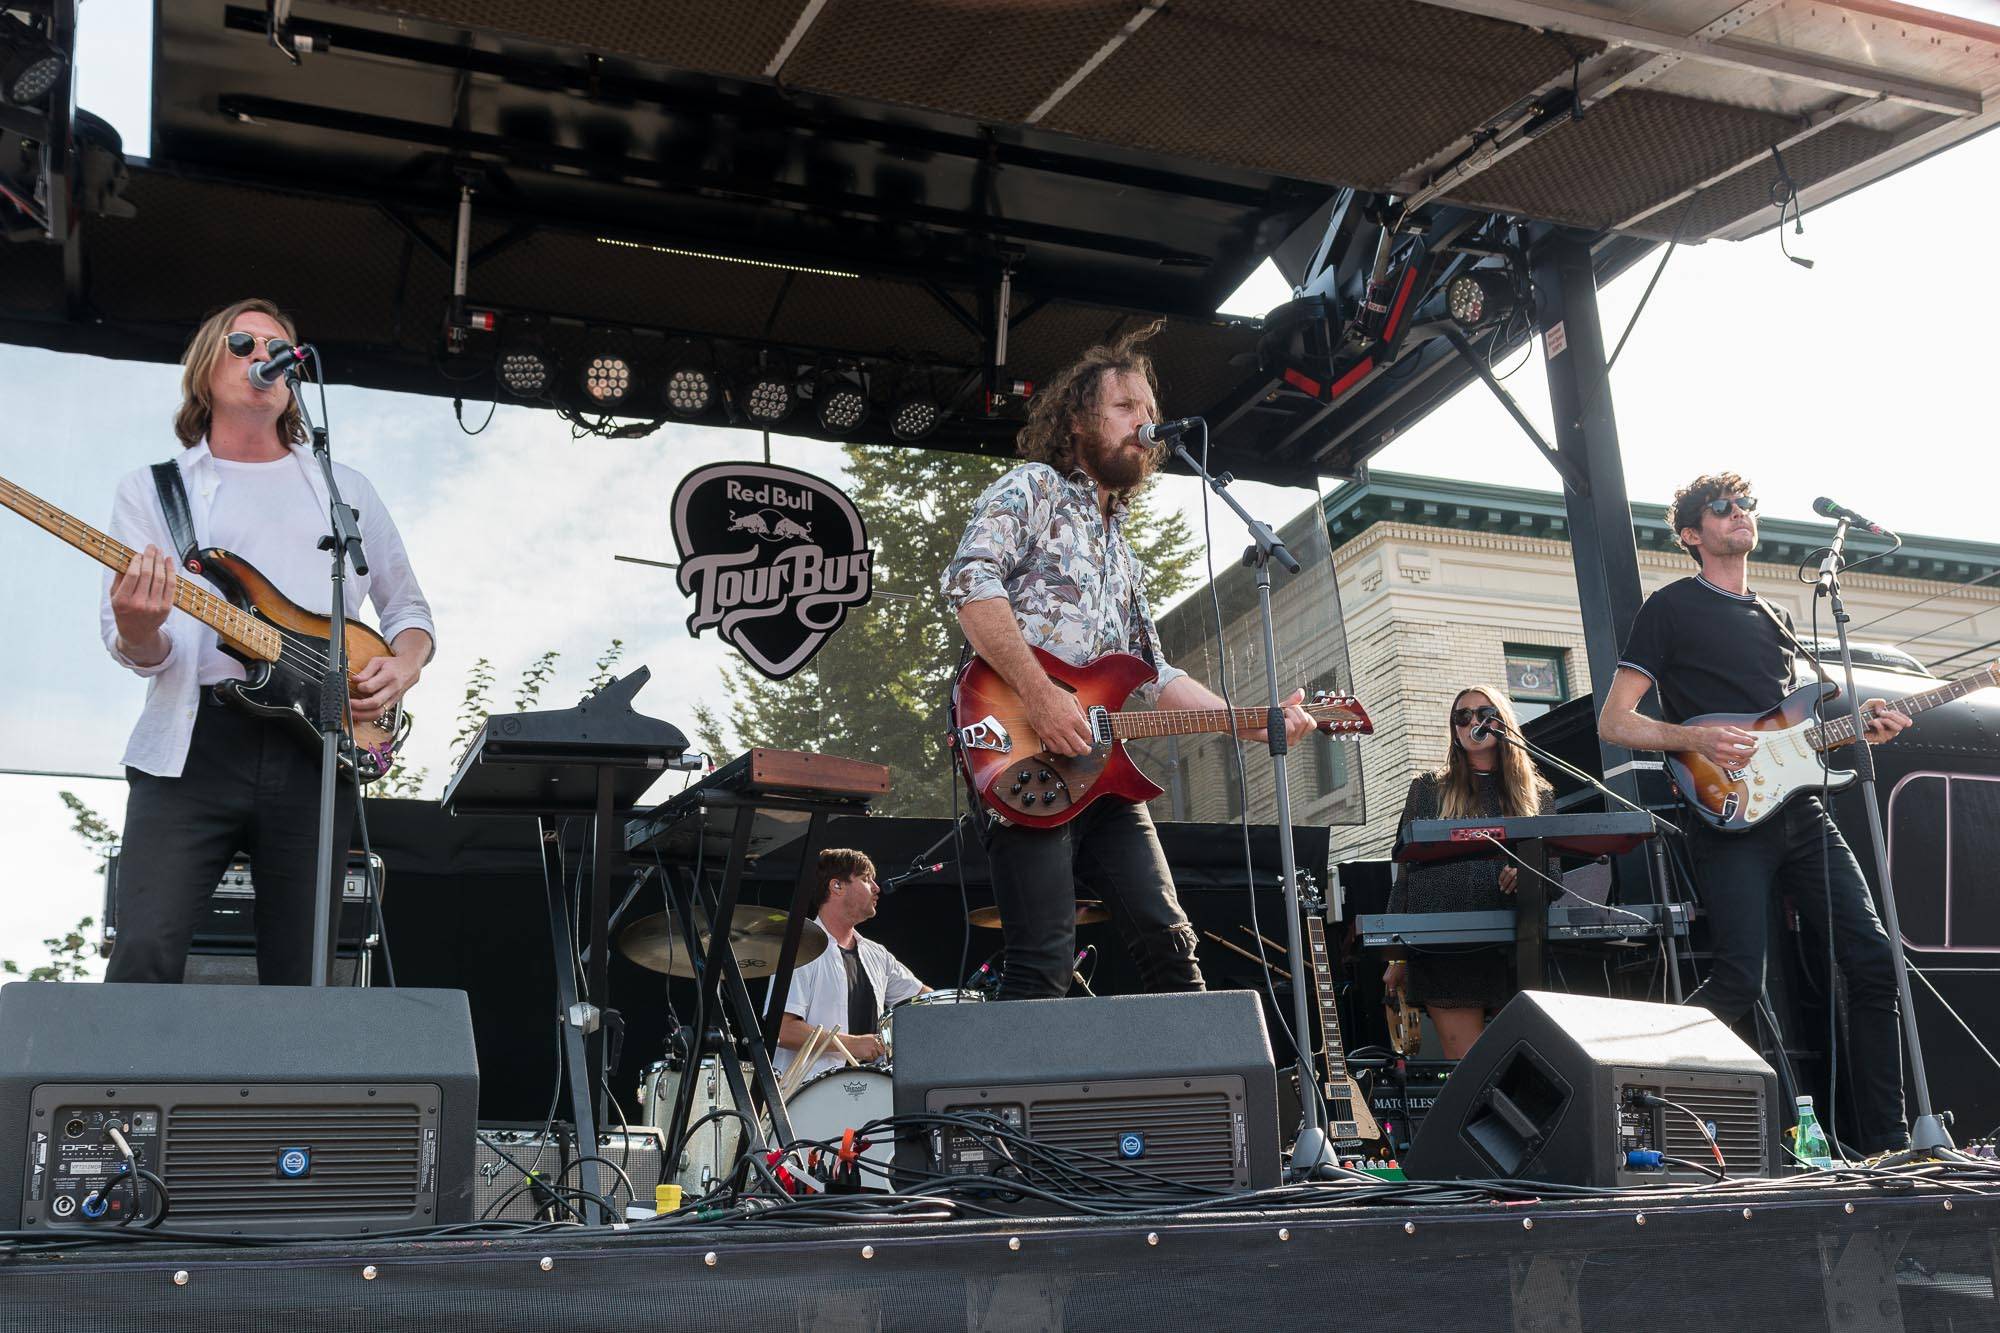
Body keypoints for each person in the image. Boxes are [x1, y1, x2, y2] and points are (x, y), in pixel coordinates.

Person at [941, 322, 1316, 1001]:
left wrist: (1250, 722)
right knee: (1044, 963)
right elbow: (970, 584)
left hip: (1101, 771)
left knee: (1171, 942)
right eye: (1126, 407)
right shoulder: (1034, 488)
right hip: (1019, 747)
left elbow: (1156, 675)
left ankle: (1203, 1104)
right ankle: (1023, 1112)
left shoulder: (1123, 555)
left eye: (1151, 413)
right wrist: (1042, 697)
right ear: (1078, 419)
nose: (1146, 423)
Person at [101, 297, 435, 985]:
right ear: (204, 371)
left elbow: (408, 610)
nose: (263, 357)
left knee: (305, 971)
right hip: (192, 746)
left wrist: (402, 668)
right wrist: (139, 625)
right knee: (144, 947)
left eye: (277, 347)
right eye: (243, 343)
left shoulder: (344, 490)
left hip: (319, 749)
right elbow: (139, 646)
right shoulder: (155, 491)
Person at [1597, 472, 1912, 1153]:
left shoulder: (1778, 618)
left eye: (1746, 504)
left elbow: (1792, 732)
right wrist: (1695, 736)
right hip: (1727, 817)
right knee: (1740, 976)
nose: (1740, 513)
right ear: (1690, 533)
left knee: (1874, 959)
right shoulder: (1671, 609)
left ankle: (1890, 1142)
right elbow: (1616, 721)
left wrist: (1862, 726)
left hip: (1801, 811)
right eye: (1722, 507)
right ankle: (1626, 1088)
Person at [1382, 686, 1554, 1059]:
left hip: (1516, 945)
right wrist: (1396, 955)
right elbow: (1405, 871)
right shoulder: (1429, 788)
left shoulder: (1537, 794)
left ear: (1502, 722)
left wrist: (1529, 874)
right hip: (1447, 946)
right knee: (1470, 1071)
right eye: (1462, 716)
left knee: (1526, 1064)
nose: (1472, 722)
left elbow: (1554, 871)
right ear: (1455, 729)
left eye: (1482, 713)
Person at [774, 849, 929, 1083]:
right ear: (836, 886)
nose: (876, 888)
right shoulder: (801, 949)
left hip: (871, 1091)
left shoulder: (877, 954)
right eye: (866, 879)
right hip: (809, 1096)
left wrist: (960, 1007)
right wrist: (853, 1044)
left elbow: (925, 1000)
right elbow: (783, 1030)